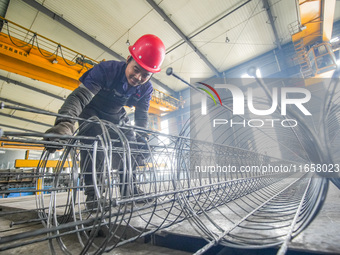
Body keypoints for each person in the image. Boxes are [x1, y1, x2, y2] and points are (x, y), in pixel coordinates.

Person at [45, 34, 166, 207]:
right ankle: (94, 196)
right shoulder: (106, 70)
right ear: (128, 59)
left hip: (116, 115)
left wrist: (142, 139)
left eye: (145, 75)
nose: (138, 77)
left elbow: (141, 116)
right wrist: (65, 124)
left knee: (130, 144)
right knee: (94, 147)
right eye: (136, 69)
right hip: (91, 111)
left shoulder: (146, 89)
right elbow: (79, 97)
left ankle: (128, 190)